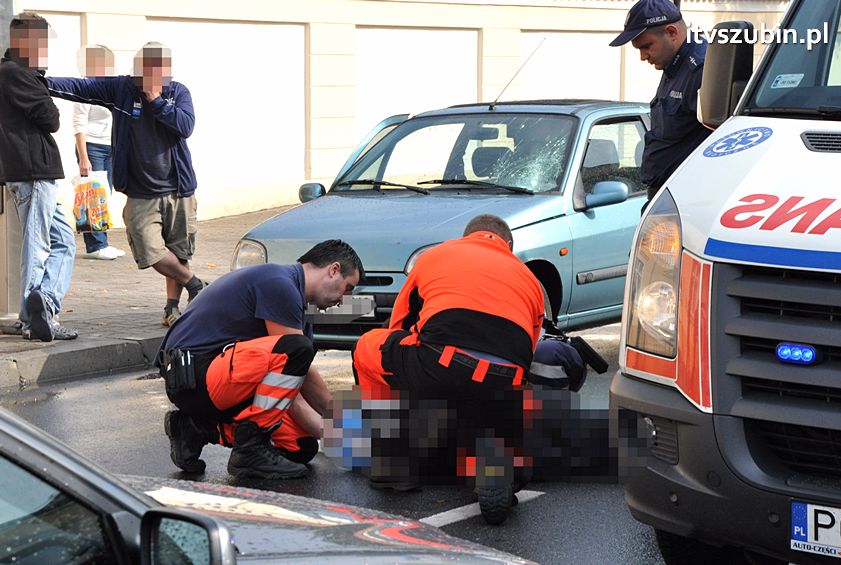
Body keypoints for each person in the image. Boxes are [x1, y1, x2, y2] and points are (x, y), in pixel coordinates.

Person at [351, 214, 544, 520]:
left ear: (466, 236)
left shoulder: (436, 255)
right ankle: (503, 466)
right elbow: (527, 354)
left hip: (442, 361)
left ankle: (393, 465)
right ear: (508, 245)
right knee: (495, 393)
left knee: (369, 347)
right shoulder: (530, 280)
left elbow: (399, 325)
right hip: (507, 378)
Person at [158, 240, 363, 479]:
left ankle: (196, 429)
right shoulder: (279, 284)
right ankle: (249, 452)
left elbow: (300, 382)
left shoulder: (296, 300)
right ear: (333, 269)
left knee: (300, 447)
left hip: (211, 379)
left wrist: (343, 428)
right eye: (347, 288)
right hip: (194, 376)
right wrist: (341, 437)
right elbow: (293, 385)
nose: (343, 300)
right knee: (297, 350)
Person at [47, 42, 205, 327]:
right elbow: (81, 87)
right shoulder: (122, 89)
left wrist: (157, 101)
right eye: (145, 69)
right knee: (150, 250)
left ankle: (171, 308)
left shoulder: (177, 92)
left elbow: (186, 126)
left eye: (158, 70)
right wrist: (42, 82)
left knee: (178, 252)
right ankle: (195, 284)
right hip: (142, 192)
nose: (151, 75)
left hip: (180, 189)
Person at [0, 13, 78, 342]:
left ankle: (42, 302)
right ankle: (36, 319)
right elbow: (51, 118)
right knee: (39, 246)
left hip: (35, 172)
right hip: (31, 172)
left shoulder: (18, 73)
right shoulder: (15, 74)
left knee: (64, 240)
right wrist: (42, 88)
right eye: (40, 41)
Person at [610, 0, 711, 205]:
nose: (642, 56)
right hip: (665, 195)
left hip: (686, 200)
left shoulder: (702, 69)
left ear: (672, 32)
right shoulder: (674, 65)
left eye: (646, 46)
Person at [72, 44, 125, 261]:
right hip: (92, 147)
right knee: (93, 196)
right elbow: (78, 125)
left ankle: (102, 242)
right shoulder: (84, 87)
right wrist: (84, 158)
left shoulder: (111, 86)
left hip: (110, 147)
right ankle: (96, 246)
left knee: (105, 195)